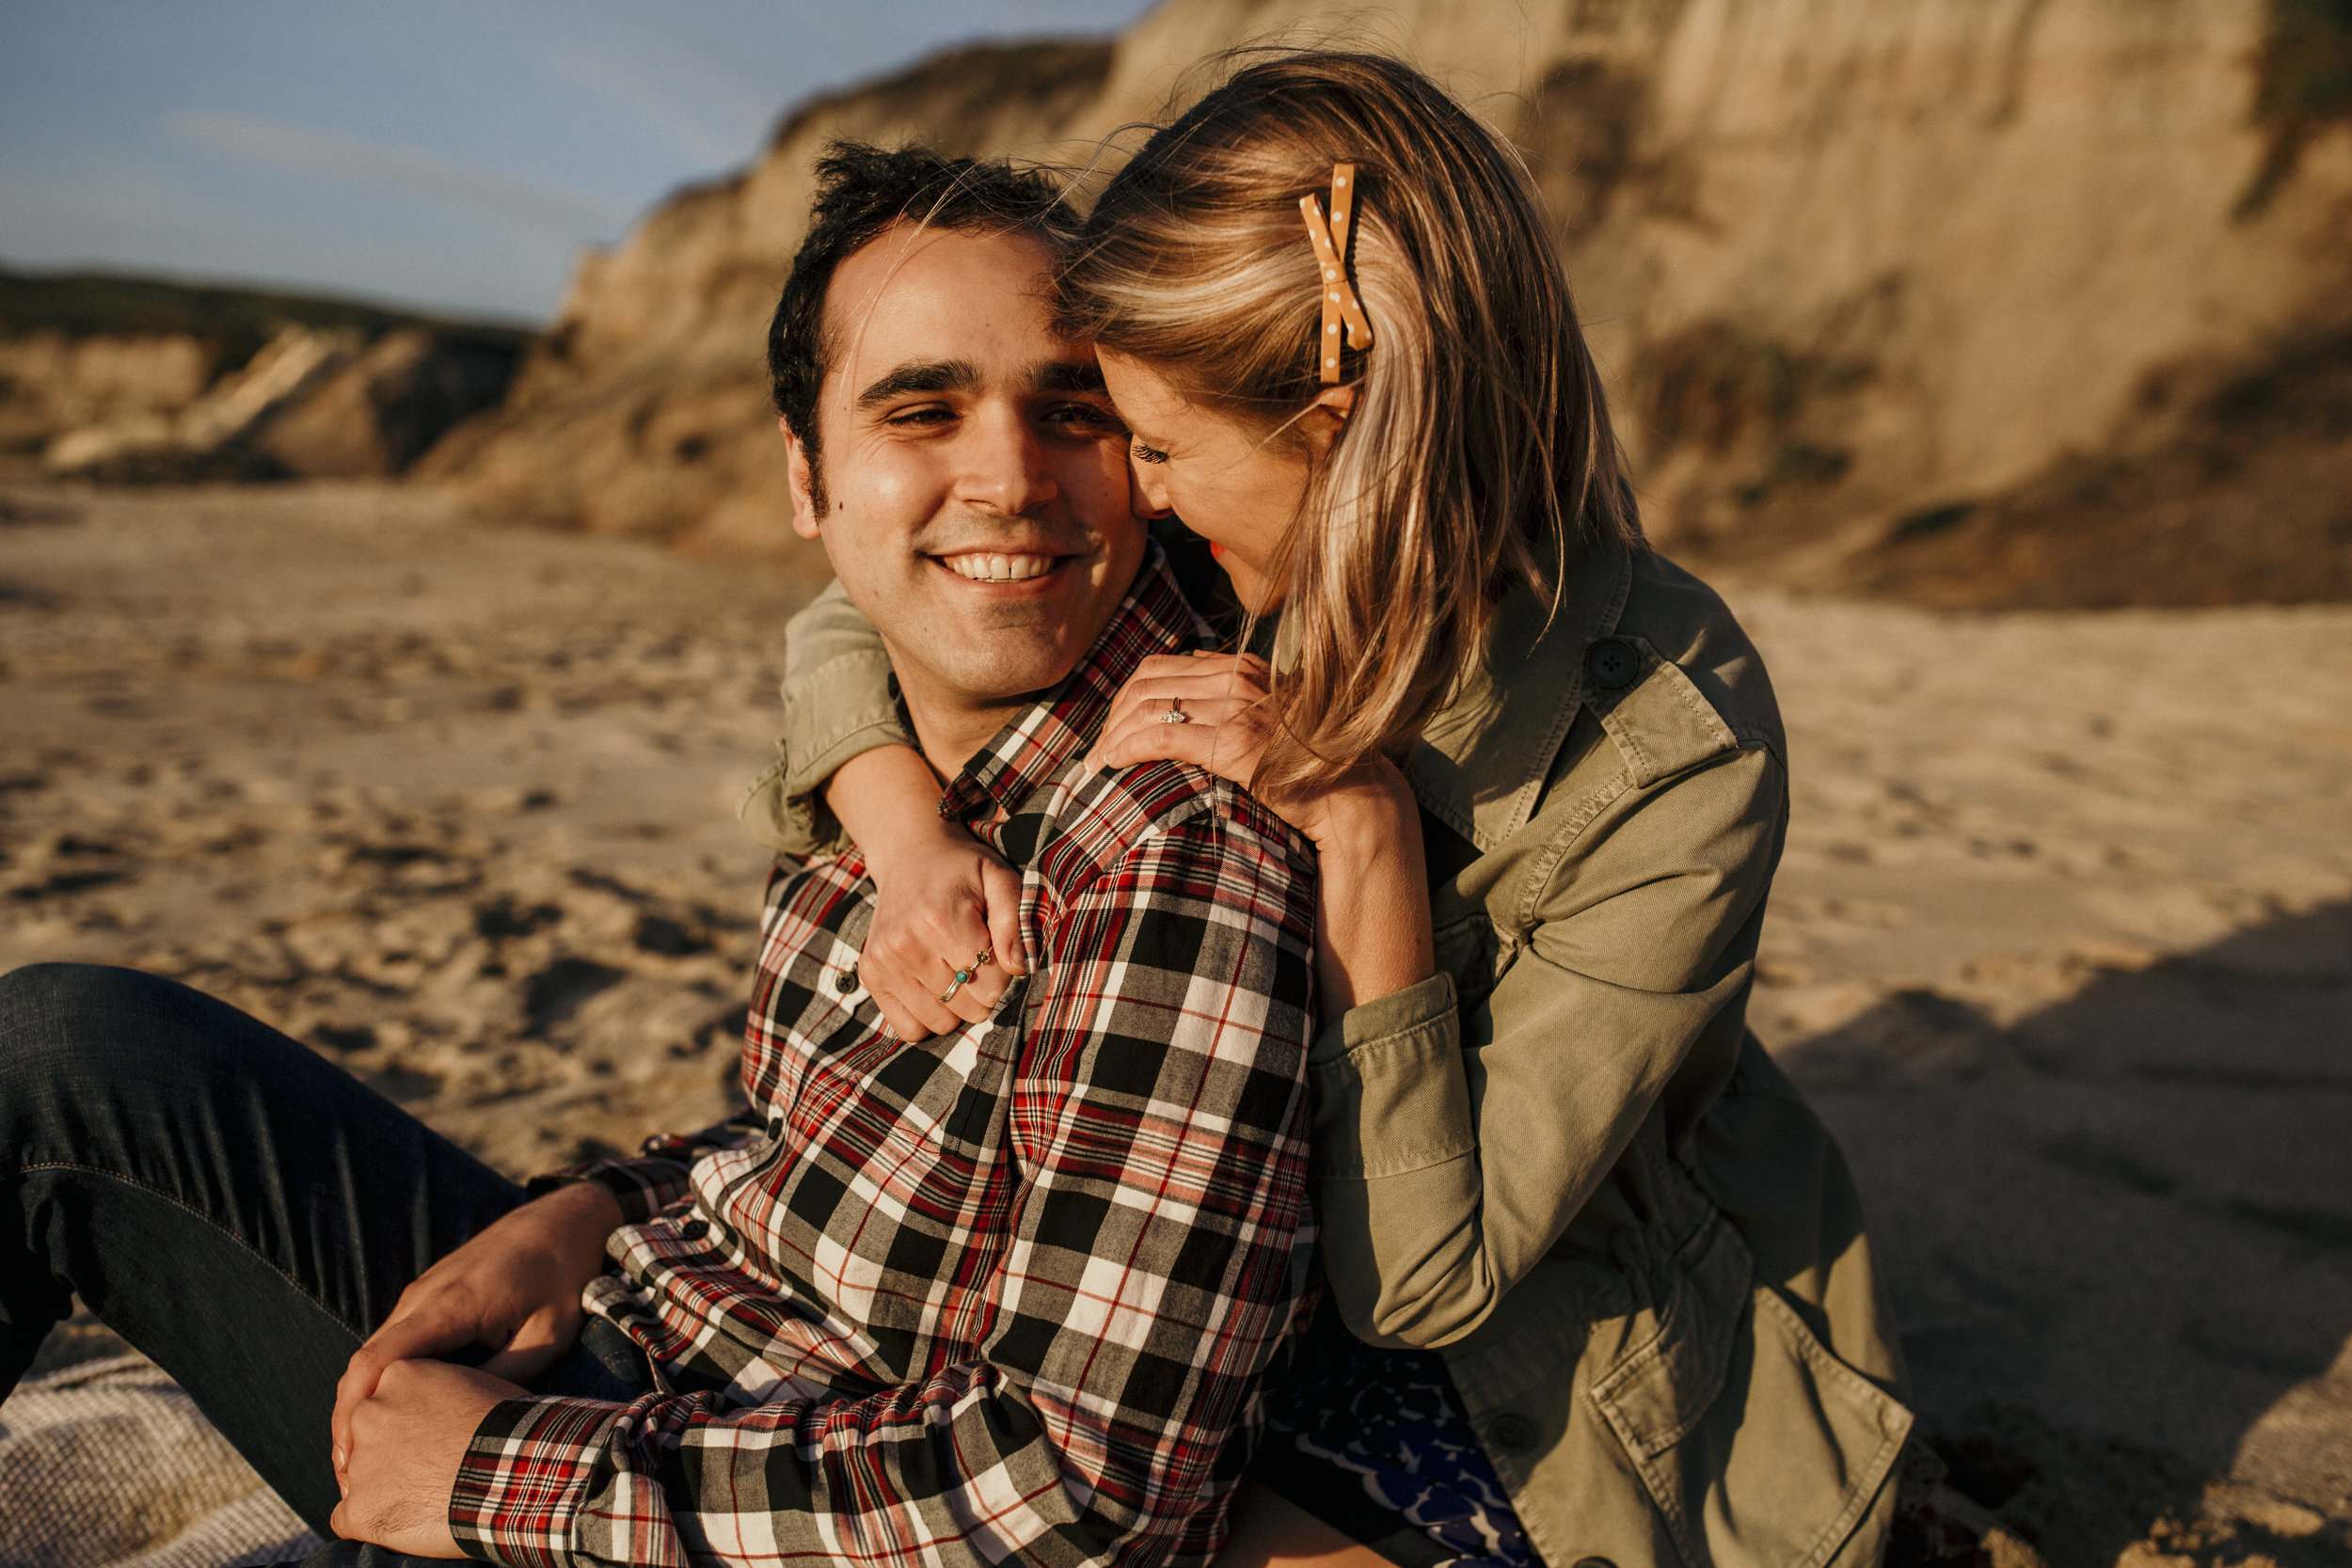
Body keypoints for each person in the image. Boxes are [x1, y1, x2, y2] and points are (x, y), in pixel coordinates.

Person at [0, 146, 1324, 1566]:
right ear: (809, 480)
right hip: (646, 1328)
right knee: (66, 1048)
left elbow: (1084, 1493)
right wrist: (588, 1209)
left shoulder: (1178, 833)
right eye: (922, 409)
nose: (1007, 476)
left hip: (734, 1496)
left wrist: (500, 1474)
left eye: (1071, 411)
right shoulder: (888, 751)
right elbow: (816, 1139)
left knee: (56, 1075)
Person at [750, 53, 1914, 1568]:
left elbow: (1431, 1278)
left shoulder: (1668, 748)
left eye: (1152, 447)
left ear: (1346, 433)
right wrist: (907, 828)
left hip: (1529, 1360)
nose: (1134, 500)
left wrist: (1364, 840)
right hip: (1228, 1266)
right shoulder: (1243, 554)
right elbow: (866, 607)